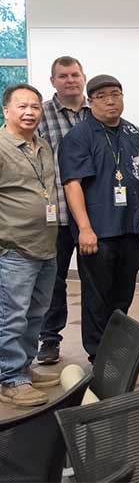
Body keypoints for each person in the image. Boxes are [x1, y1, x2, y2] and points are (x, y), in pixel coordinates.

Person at [59, 75, 139, 363]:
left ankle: (117, 349)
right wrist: (85, 228)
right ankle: (97, 354)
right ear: (90, 101)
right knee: (97, 297)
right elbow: (72, 184)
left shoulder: (134, 133)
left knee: (122, 294)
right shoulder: (79, 136)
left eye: (116, 93)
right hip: (98, 232)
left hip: (131, 228)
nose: (110, 100)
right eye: (102, 96)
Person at [0, 84, 62, 407]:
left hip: (45, 246)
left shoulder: (43, 147)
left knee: (35, 315)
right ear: (6, 110)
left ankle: (23, 366)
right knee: (12, 317)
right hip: (13, 249)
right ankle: (10, 378)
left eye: (35, 107)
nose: (29, 112)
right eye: (22, 106)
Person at [35, 56, 89, 366]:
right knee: (52, 280)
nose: (70, 80)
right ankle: (49, 338)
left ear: (83, 77)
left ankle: (102, 340)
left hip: (93, 216)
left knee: (96, 280)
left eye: (74, 74)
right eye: (63, 76)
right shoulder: (40, 114)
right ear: (53, 81)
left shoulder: (95, 112)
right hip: (53, 214)